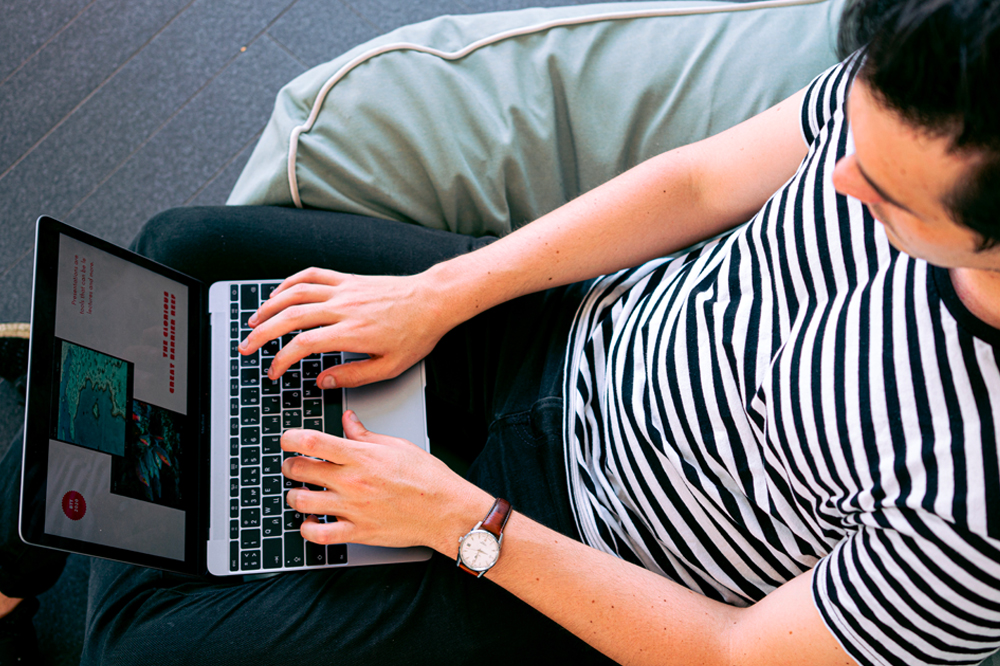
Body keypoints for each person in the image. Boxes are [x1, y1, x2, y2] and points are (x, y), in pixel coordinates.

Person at [2, 0, 999, 664]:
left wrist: (456, 521)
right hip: (564, 334)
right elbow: (699, 181)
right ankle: (56, 527)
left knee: (141, 645)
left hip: (576, 552)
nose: (836, 180)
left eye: (885, 200)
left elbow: (728, 654)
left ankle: (88, 468)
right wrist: (442, 291)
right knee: (189, 252)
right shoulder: (932, 81)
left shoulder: (974, 510)